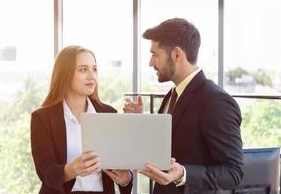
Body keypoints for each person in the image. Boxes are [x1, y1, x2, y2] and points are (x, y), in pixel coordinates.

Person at [124, 18, 243, 194]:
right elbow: (169, 145)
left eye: (155, 55)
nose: (151, 63)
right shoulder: (173, 94)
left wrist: (183, 174)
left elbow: (234, 173)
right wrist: (141, 121)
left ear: (177, 55)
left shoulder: (216, 101)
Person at [31, 45, 132, 194]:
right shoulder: (43, 118)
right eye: (83, 69)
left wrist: (126, 179)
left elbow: (121, 166)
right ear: (65, 73)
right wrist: (70, 170)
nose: (92, 76)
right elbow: (45, 171)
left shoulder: (108, 113)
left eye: (94, 69)